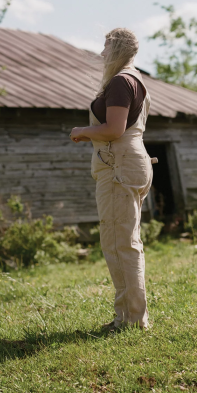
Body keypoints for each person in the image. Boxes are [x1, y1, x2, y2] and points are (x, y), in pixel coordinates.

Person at [70, 28, 153, 330]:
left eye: (106, 47)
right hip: (129, 162)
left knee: (119, 242)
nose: (102, 53)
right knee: (125, 240)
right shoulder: (136, 79)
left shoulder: (120, 81)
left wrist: (84, 131)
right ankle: (129, 315)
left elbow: (114, 129)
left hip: (119, 165)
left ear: (117, 49)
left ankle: (131, 319)